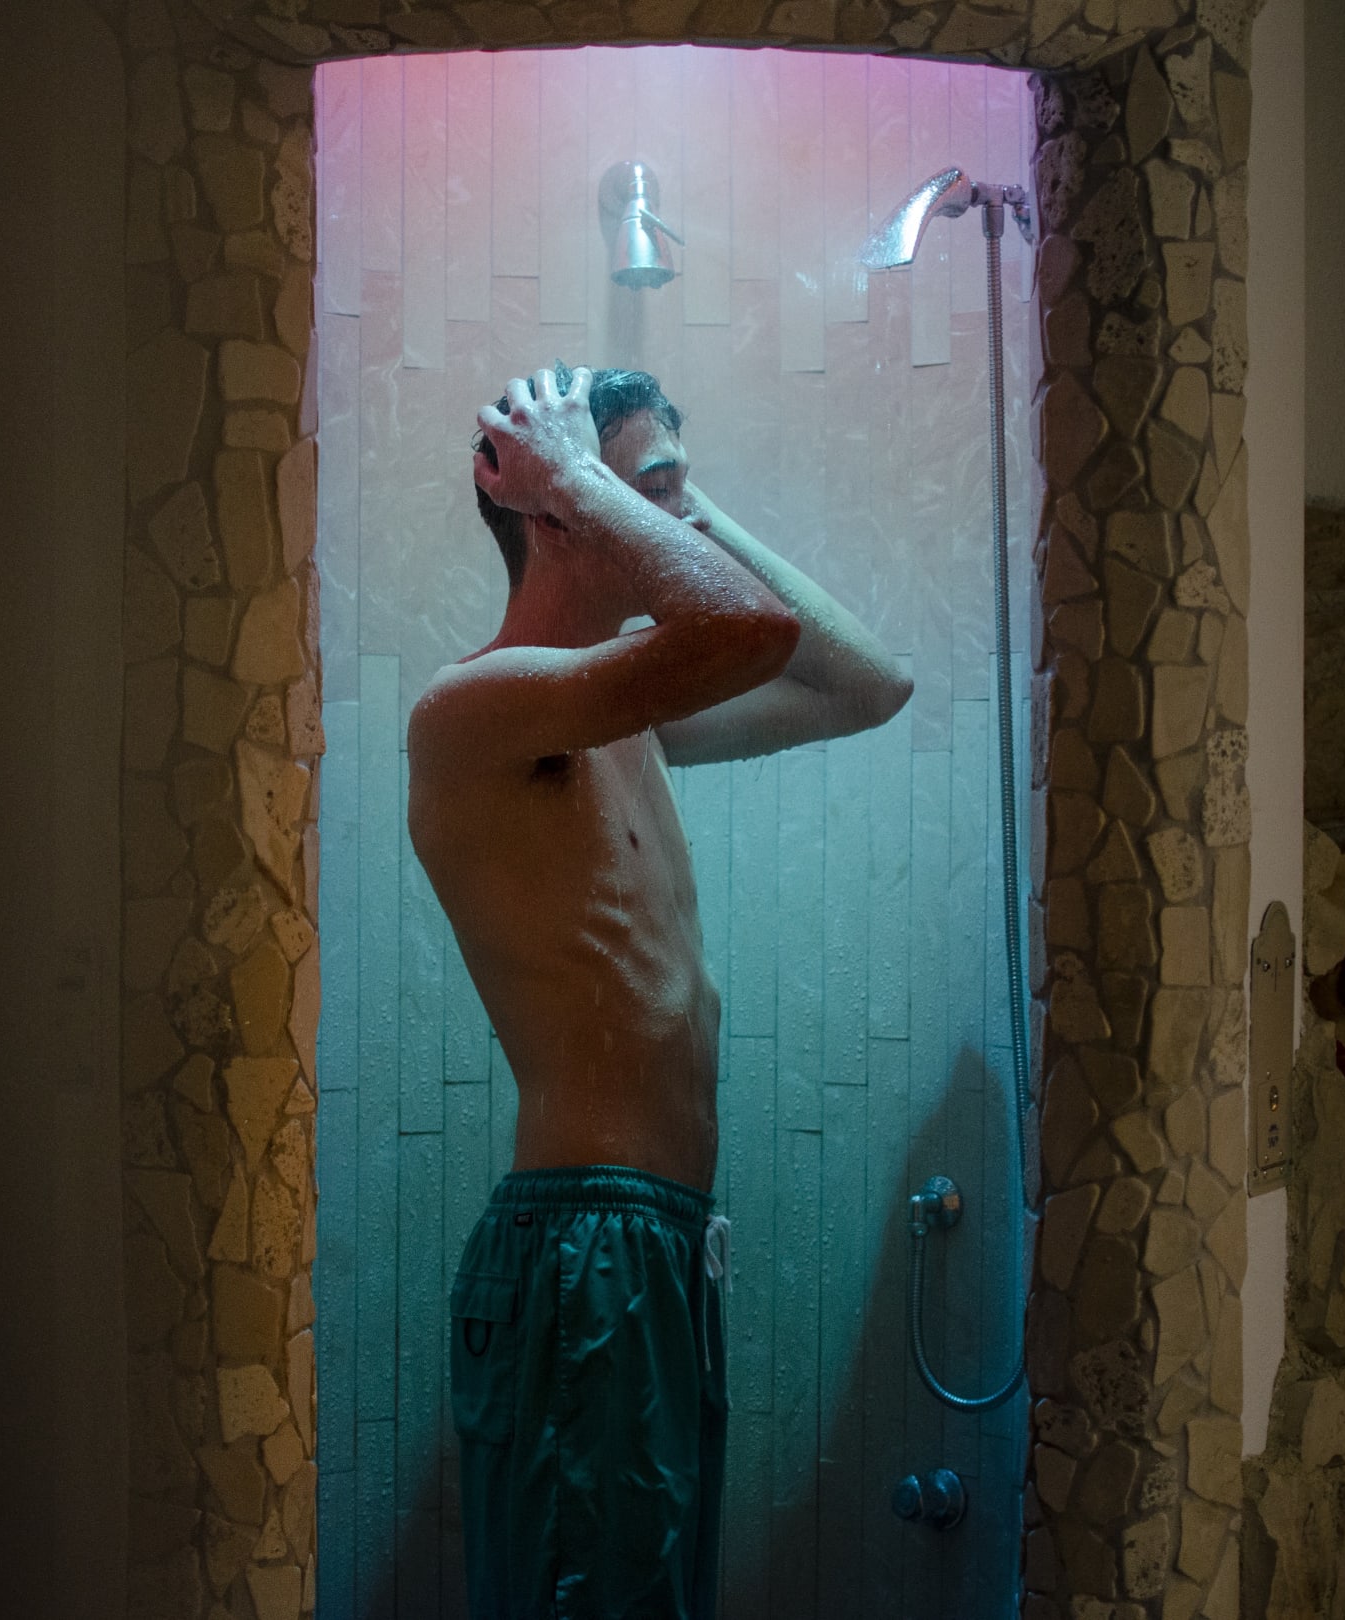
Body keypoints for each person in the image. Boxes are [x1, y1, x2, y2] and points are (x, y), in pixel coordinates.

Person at [409, 363, 909, 1619]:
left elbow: (866, 686)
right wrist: (580, 478)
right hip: (586, 1239)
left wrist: (675, 497)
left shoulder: (622, 717)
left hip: (657, 1242)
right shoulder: (477, 709)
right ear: (552, 506)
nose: (675, 520)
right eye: (648, 491)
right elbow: (747, 634)